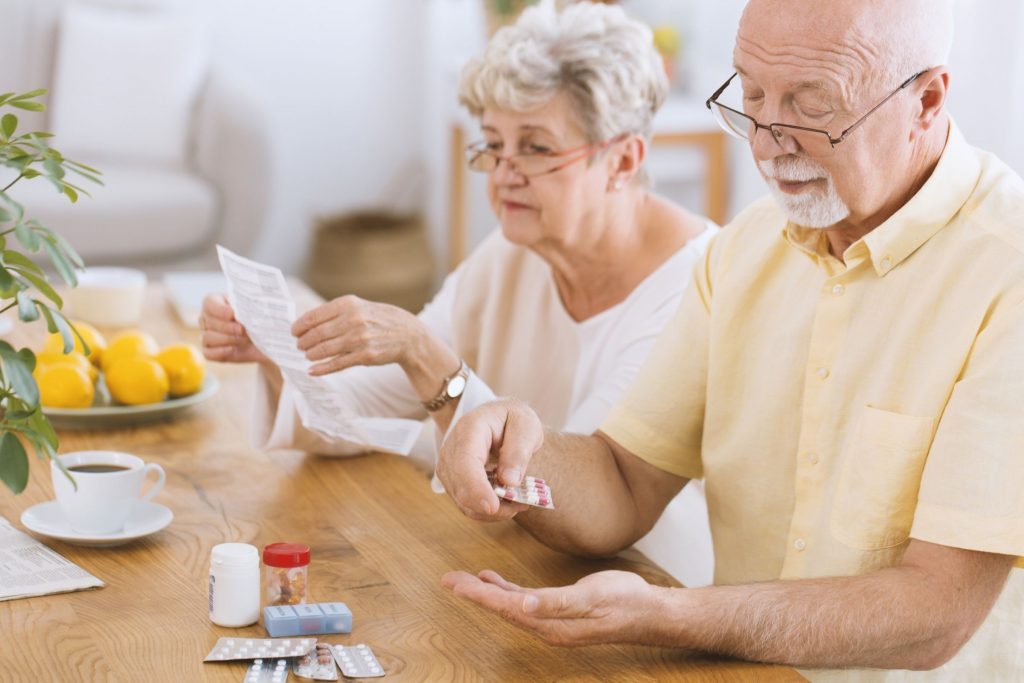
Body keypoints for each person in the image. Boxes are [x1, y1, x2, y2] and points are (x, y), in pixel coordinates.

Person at [437, 0, 1024, 679]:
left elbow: (934, 610)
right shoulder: (745, 247)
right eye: (750, 95)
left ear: (926, 100)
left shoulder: (1007, 274)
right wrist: (519, 447)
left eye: (811, 106)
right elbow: (625, 481)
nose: (769, 141)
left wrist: (671, 613)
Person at [200, 1, 716, 585]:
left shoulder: (694, 283)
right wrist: (278, 351)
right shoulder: (513, 251)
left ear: (622, 159)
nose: (503, 173)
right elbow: (363, 414)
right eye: (493, 144)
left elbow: (594, 512)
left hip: (642, 589)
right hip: (516, 567)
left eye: (537, 147)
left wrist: (427, 357)